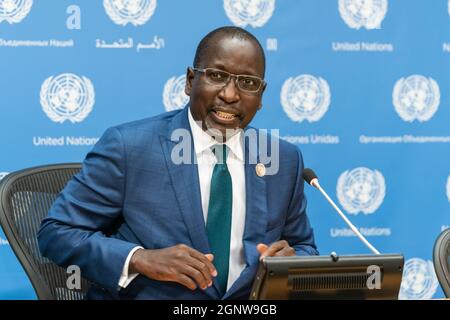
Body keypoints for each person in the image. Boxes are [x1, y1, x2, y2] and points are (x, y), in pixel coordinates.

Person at [37, 26, 318, 300]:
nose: (230, 95)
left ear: (260, 97)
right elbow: (57, 232)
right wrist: (139, 258)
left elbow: (303, 246)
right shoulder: (129, 147)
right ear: (189, 81)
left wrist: (290, 261)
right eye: (217, 75)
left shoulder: (283, 159)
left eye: (248, 83)